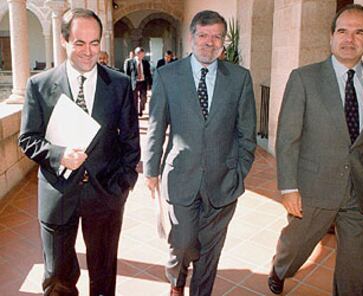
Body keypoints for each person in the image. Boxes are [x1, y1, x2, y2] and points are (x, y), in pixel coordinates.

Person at [267, 4, 363, 295]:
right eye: (342, 31)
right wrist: (288, 188)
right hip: (313, 187)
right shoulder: (304, 78)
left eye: (359, 32)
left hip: (358, 188)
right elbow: (288, 137)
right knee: (296, 246)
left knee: (355, 265)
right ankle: (280, 268)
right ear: (331, 36)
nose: (349, 39)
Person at [19, 8, 140, 296]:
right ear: (64, 41)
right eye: (79, 43)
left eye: (95, 43)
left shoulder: (120, 85)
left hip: (106, 194)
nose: (89, 52)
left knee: (103, 274)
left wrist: (122, 185)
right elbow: (28, 138)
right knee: (57, 279)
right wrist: (59, 154)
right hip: (58, 194)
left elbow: (131, 142)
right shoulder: (39, 85)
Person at [144, 10, 256, 296]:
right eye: (203, 35)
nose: (210, 42)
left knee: (210, 250)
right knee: (182, 242)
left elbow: (247, 132)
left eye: (217, 36)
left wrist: (240, 170)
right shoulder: (167, 75)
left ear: (224, 41)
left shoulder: (240, 78)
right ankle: (176, 278)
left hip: (223, 180)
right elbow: (157, 126)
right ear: (191, 37)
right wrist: (151, 170)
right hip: (180, 176)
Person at [124, 46, 152, 116]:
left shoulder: (145, 63)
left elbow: (148, 74)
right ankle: (136, 113)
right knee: (134, 99)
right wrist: (127, 84)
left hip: (143, 82)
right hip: (134, 83)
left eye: (143, 54)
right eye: (141, 54)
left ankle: (141, 109)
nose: (142, 56)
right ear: (137, 54)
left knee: (143, 98)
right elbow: (127, 74)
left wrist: (150, 83)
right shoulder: (130, 62)